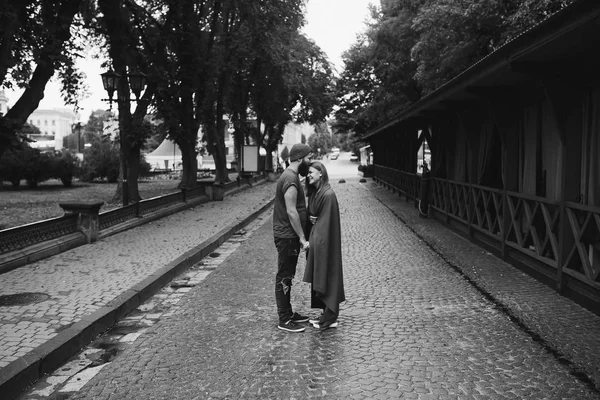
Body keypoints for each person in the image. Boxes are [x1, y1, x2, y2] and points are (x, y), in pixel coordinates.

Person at [273, 143, 313, 333]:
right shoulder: (290, 178)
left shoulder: (292, 176)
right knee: (284, 276)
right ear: (299, 159)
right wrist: (302, 238)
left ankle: (288, 313)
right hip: (287, 236)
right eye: (308, 158)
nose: (310, 161)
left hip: (288, 236)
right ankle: (284, 319)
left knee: (288, 275)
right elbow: (291, 211)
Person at [303, 161, 345, 330]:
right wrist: (311, 219)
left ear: (321, 173)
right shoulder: (316, 192)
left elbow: (326, 222)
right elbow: (312, 214)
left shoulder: (328, 195)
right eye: (307, 173)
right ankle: (326, 314)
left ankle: (330, 317)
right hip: (319, 240)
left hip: (325, 242)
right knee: (322, 274)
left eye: (311, 172)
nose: (308, 175)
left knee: (328, 273)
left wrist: (313, 237)